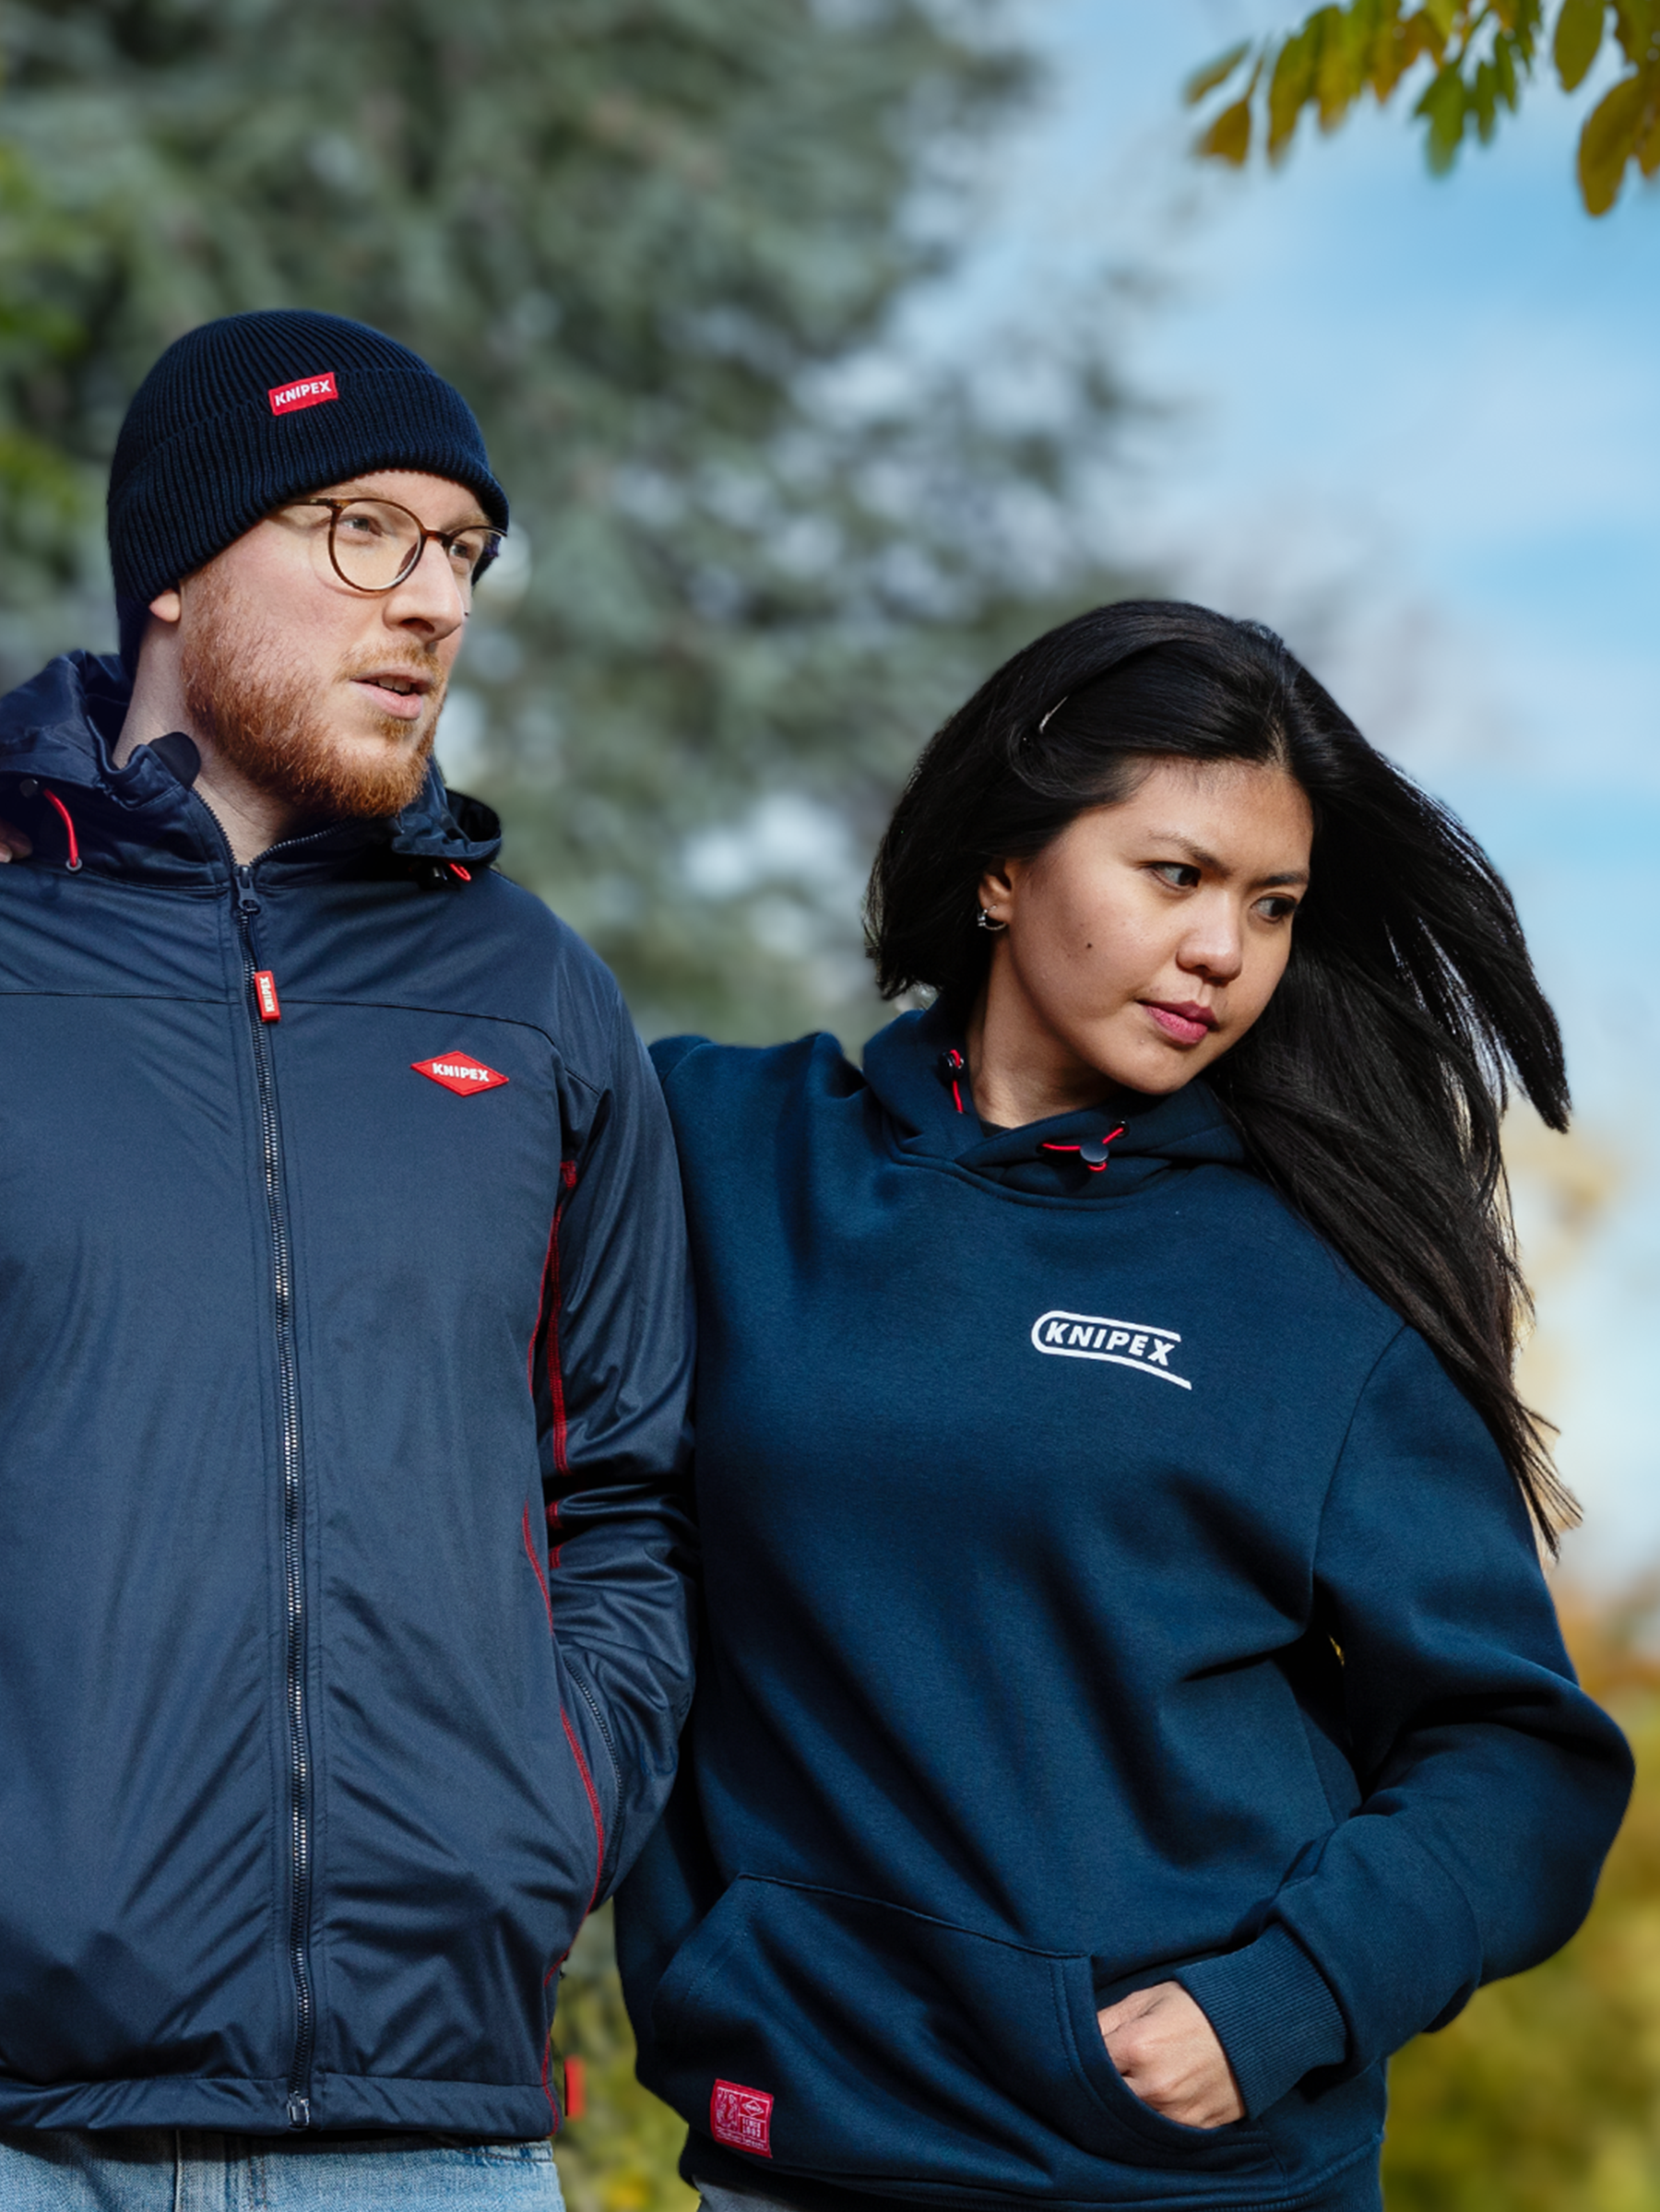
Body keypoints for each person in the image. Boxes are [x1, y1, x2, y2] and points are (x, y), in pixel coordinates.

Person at [614, 601, 1633, 2212]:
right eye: (1177, 875)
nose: (1225, 949)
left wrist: (1278, 1998)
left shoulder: (1316, 1288)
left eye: (1271, 905)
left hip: (1180, 2176)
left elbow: (1520, 1757)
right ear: (1005, 867)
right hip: (795, 2150)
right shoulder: (722, 1150)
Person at [0, 310, 696, 2208]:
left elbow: (622, 1491)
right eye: (357, 527)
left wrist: (542, 1814)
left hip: (430, 2130)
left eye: (461, 548)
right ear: (175, 568)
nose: (429, 599)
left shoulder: (532, 992)